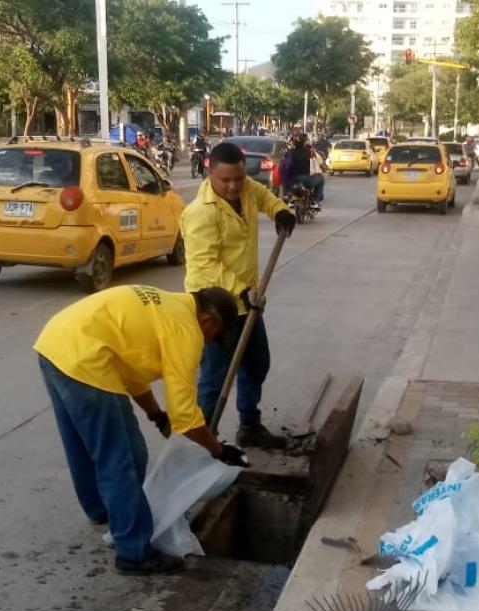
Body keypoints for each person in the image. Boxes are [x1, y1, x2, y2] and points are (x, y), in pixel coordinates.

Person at [35, 285, 245, 575]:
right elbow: (185, 415)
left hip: (54, 345)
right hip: (86, 360)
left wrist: (156, 415)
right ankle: (133, 552)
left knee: (84, 443)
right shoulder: (187, 329)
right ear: (209, 321)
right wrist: (218, 449)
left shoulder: (167, 306)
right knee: (123, 458)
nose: (209, 344)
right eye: (214, 338)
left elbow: (132, 374)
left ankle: (102, 510)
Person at [180, 142, 297, 450]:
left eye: (239, 178)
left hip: (247, 301)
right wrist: (241, 290)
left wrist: (280, 210)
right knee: (215, 378)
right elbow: (205, 266)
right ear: (210, 174)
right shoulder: (200, 214)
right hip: (214, 307)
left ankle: (249, 425)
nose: (233, 186)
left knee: (257, 363)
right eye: (225, 180)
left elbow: (263, 196)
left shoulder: (246, 190)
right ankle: (203, 441)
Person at [284, 133, 326, 204]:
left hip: (291, 179)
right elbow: (317, 164)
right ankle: (315, 200)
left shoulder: (289, 152)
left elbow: (283, 164)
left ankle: (288, 196)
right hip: (306, 179)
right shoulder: (309, 152)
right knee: (321, 179)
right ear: (304, 142)